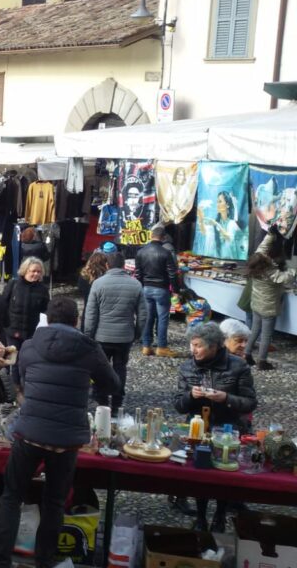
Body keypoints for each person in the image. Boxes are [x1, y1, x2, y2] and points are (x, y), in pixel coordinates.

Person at [0, 298, 119, 568]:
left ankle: (0, 561)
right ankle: (44, 562)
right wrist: (90, 388)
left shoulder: (29, 344)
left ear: (47, 318)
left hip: (29, 432)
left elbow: (20, 380)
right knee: (54, 501)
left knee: (12, 495)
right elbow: (112, 383)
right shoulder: (88, 348)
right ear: (76, 320)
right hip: (66, 438)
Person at [174, 322, 256, 532]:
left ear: (214, 346)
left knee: (224, 476)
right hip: (197, 430)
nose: (193, 350)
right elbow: (178, 405)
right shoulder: (187, 367)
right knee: (200, 475)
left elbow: (249, 402)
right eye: (192, 345)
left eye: (198, 346)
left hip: (228, 429)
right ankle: (201, 517)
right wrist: (191, 396)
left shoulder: (238, 366)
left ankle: (220, 515)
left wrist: (226, 398)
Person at [84, 252, 146, 410]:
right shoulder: (136, 285)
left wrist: (88, 336)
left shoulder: (98, 284)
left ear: (107, 265)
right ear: (124, 265)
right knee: (120, 368)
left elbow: (91, 314)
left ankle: (102, 402)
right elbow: (143, 315)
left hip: (102, 336)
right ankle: (118, 401)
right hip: (125, 336)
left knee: (101, 369)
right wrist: (137, 333)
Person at [134, 225, 179, 357]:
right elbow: (172, 274)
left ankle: (146, 346)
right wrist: (176, 290)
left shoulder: (141, 252)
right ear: (164, 237)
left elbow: (138, 274)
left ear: (151, 236)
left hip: (146, 288)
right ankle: (162, 347)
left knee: (148, 317)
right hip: (162, 289)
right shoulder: (166, 253)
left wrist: (141, 287)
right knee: (163, 318)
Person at [2, 257, 50, 350]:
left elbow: (46, 309)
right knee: (12, 359)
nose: (36, 274)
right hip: (12, 331)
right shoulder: (13, 284)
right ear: (25, 270)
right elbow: (3, 304)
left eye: (39, 272)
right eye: (33, 271)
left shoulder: (43, 289)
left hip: (31, 333)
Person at [78, 251, 109, 335]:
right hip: (102, 311)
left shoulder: (83, 275)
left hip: (87, 308)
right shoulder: (105, 278)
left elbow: (80, 290)